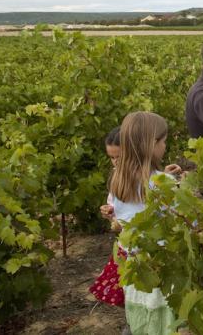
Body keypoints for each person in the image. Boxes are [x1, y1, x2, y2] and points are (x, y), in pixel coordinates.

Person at [110, 111, 177, 335]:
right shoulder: (164, 182)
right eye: (163, 141)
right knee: (165, 323)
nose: (165, 146)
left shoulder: (118, 180)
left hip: (137, 271)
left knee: (143, 323)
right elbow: (184, 222)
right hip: (163, 269)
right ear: (152, 144)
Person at [90, 127, 125, 307]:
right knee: (122, 292)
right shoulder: (116, 177)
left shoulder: (144, 180)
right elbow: (115, 206)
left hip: (138, 245)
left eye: (119, 157)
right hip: (124, 243)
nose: (115, 162)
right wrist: (109, 212)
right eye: (112, 157)